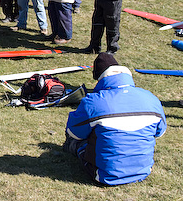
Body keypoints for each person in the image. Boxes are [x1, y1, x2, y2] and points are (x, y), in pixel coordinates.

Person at [64, 52, 166, 186]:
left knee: (80, 139)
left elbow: (73, 132)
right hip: (143, 171)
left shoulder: (93, 102)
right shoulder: (151, 98)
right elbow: (160, 132)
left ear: (100, 79)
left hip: (105, 175)